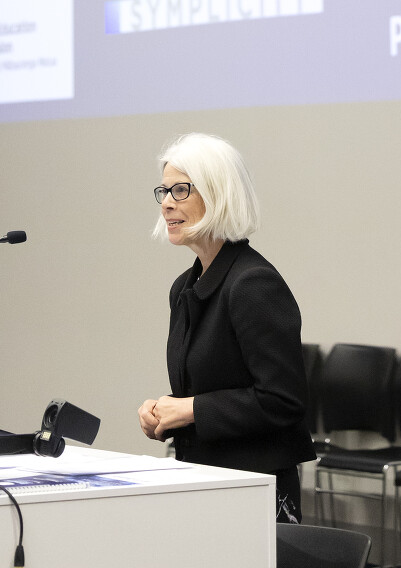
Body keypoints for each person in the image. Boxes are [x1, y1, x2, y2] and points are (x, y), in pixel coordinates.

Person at [138, 133, 315, 522]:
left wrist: (188, 409)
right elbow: (212, 387)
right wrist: (165, 411)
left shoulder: (254, 284)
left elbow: (282, 400)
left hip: (255, 488)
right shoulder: (184, 288)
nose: (166, 202)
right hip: (203, 477)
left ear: (218, 194)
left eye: (181, 190)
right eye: (164, 191)